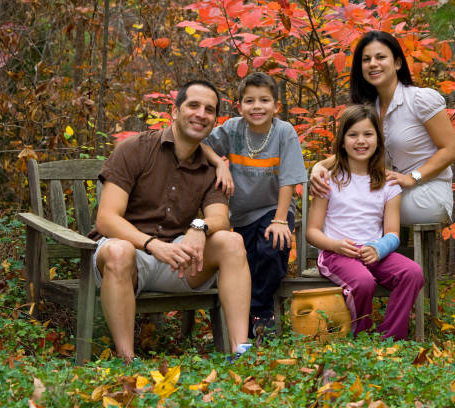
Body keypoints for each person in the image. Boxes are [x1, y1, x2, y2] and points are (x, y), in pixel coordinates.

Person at [89, 79, 252, 362]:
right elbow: (106, 219)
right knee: (118, 250)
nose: (201, 114)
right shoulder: (135, 149)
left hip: (176, 260)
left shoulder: (211, 168)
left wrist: (199, 227)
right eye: (193, 105)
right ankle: (127, 360)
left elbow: (219, 219)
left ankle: (241, 351)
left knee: (232, 242)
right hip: (127, 259)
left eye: (209, 109)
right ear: (175, 111)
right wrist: (152, 245)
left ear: (214, 120)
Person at [310, 30, 455, 225]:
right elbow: (361, 148)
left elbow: (450, 150)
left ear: (397, 63)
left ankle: (353, 252)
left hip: (428, 192)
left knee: (355, 208)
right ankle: (340, 252)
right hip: (393, 190)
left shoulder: (420, 99)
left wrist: (412, 178)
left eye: (381, 57)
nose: (373, 63)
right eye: (366, 59)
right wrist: (320, 166)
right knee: (338, 198)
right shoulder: (372, 109)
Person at [200, 72, 307, 338]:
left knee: (273, 247)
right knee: (245, 262)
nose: (257, 107)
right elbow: (200, 145)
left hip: (275, 207)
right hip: (242, 214)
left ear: (276, 107)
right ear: (239, 106)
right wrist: (219, 164)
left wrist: (281, 220)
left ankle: (262, 312)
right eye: (249, 101)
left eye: (264, 100)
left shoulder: (284, 133)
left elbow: (289, 181)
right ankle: (246, 319)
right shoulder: (233, 129)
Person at [306, 104, 424, 340]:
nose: (361, 141)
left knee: (413, 272)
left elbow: (392, 234)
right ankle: (361, 335)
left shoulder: (389, 184)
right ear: (342, 141)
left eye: (368, 134)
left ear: (378, 140)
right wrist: (336, 246)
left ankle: (390, 336)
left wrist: (377, 249)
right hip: (336, 253)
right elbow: (312, 231)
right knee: (363, 281)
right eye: (353, 135)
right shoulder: (328, 180)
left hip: (374, 252)